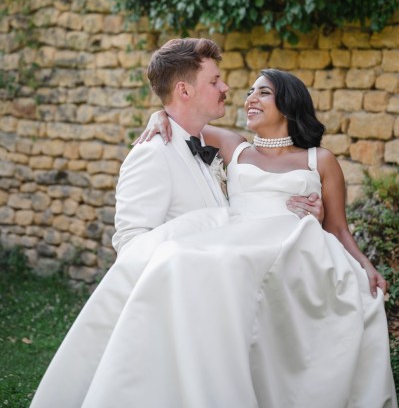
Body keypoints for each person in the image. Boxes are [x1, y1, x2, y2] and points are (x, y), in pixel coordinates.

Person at [30, 40, 396, 408]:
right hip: (235, 253)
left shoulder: (321, 160)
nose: (245, 96)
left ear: (289, 101)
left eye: (263, 92)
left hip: (296, 253)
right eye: (246, 90)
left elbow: (338, 227)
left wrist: (366, 266)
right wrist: (157, 116)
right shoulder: (234, 147)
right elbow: (181, 122)